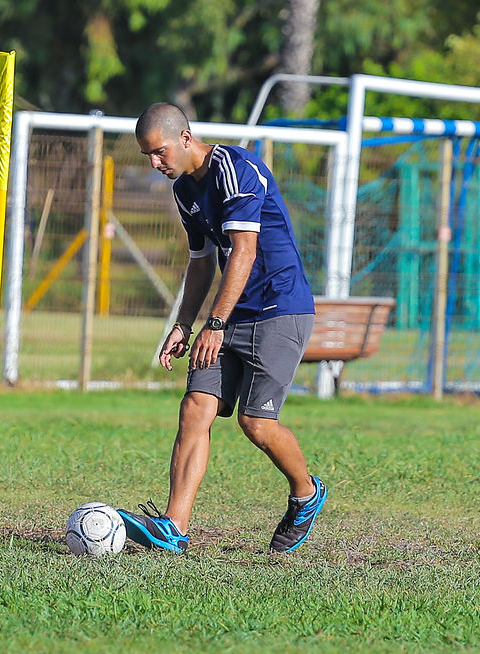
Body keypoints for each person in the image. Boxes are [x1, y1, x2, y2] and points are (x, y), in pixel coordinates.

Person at [117, 103, 326, 554]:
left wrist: (214, 324)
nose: (155, 164)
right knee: (195, 406)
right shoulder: (183, 190)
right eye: (147, 156)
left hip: (279, 307)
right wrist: (184, 325)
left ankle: (306, 492)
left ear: (185, 138)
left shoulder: (234, 168)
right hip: (229, 314)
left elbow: (244, 251)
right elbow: (201, 262)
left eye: (159, 152)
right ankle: (174, 527)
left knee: (256, 423)